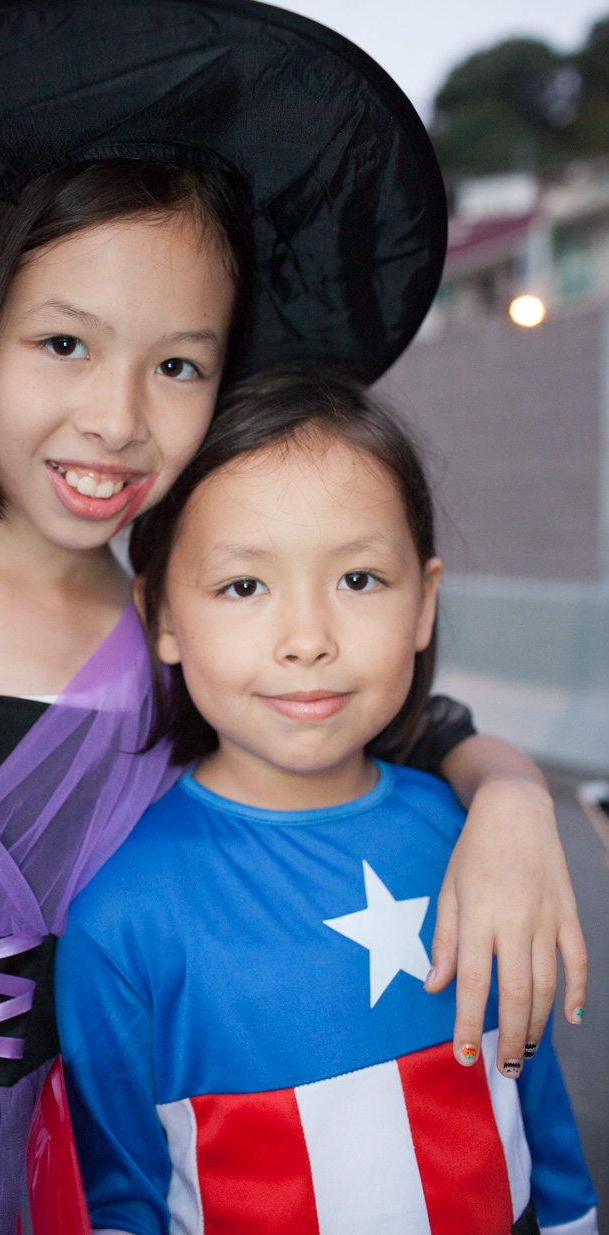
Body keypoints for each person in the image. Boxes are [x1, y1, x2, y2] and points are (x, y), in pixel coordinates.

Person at [0, 2, 586, 1233]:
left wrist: (517, 801)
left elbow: (418, 734)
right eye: (64, 341)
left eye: (177, 365)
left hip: (42, 1185)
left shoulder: (195, 646)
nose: (117, 418)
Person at [56, 367, 598, 1235]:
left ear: (423, 602)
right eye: (244, 586)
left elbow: (533, 1102)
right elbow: (118, 1194)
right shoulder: (120, 914)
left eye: (358, 579)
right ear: (162, 617)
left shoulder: (473, 840)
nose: (306, 639)